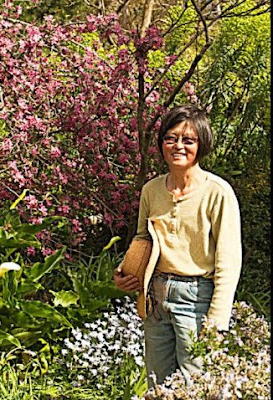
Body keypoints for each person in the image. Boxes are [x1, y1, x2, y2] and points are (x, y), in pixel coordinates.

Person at [114, 104, 242, 388]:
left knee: (195, 386)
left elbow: (229, 262)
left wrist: (217, 320)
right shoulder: (152, 189)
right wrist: (126, 272)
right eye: (171, 138)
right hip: (155, 297)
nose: (178, 146)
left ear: (202, 144)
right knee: (156, 385)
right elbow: (142, 240)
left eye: (188, 140)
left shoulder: (217, 193)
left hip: (197, 299)